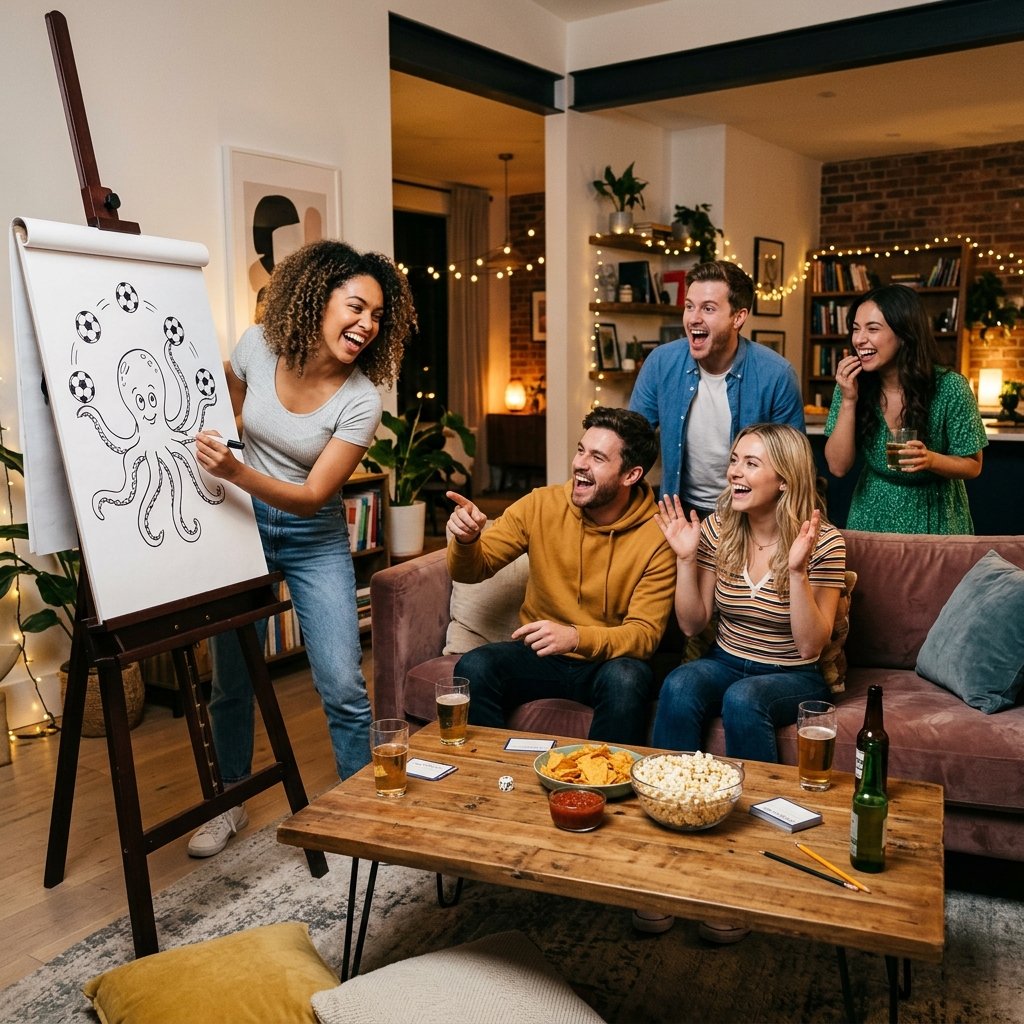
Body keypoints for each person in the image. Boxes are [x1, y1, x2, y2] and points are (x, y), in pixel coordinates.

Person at [186, 240, 416, 857]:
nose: (366, 324)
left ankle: (361, 814)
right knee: (231, 679)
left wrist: (235, 472)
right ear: (318, 298)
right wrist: (224, 449)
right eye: (356, 307)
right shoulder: (257, 347)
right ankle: (229, 801)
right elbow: (228, 410)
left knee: (341, 682)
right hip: (242, 526)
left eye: (377, 316)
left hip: (312, 539)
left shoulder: (361, 400)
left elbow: (314, 496)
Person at [648, 423, 845, 942]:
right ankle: (668, 848)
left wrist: (797, 572)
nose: (734, 471)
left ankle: (752, 863)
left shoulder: (823, 541)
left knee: (742, 699)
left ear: (785, 479)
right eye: (734, 459)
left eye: (751, 463)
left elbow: (811, 646)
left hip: (793, 674)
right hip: (726, 657)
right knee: (679, 684)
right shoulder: (720, 529)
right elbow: (692, 624)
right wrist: (686, 558)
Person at [446, 407, 676, 747]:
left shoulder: (657, 535)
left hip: (607, 661)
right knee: (475, 666)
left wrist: (575, 637)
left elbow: (644, 636)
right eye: (581, 450)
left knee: (628, 678)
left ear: (631, 475)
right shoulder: (541, 504)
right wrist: (467, 541)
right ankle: (498, 769)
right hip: (541, 656)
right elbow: (471, 570)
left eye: (598, 457)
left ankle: (603, 777)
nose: (580, 463)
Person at [629, 260, 805, 517]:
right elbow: (631, 440)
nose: (693, 318)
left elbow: (794, 467)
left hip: (750, 516)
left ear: (738, 317)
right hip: (679, 512)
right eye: (689, 306)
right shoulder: (660, 362)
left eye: (708, 308)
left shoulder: (777, 375)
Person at [824, 284, 986, 534]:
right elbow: (837, 467)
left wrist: (931, 459)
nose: (859, 339)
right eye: (856, 329)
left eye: (872, 329)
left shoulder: (950, 387)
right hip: (871, 515)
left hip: (936, 517)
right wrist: (848, 400)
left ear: (904, 334)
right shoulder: (851, 384)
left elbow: (973, 465)